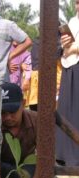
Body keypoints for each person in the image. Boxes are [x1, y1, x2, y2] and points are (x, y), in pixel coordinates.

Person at [56, 1, 79, 166]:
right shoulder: (72, 21)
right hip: (69, 67)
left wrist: (74, 48)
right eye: (77, 2)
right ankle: (67, 155)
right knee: (67, 110)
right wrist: (65, 45)